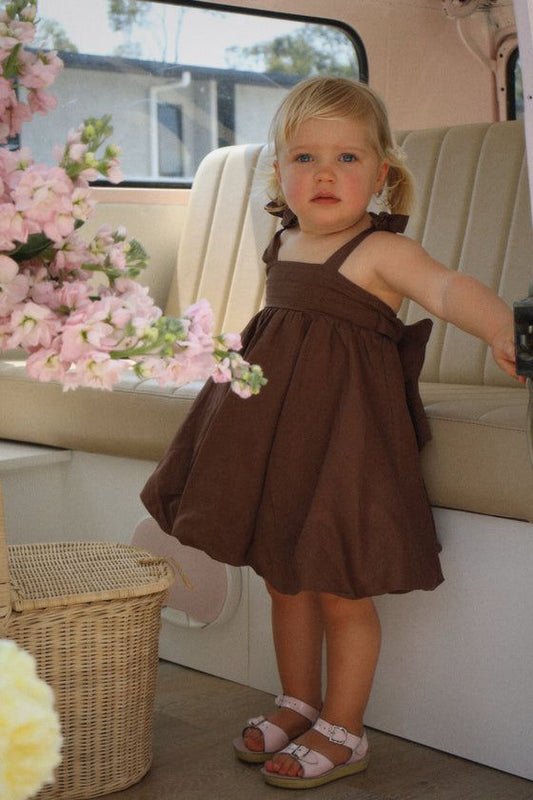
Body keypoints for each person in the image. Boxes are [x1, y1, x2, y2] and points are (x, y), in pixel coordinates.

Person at [141, 76, 521, 790]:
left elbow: (446, 289)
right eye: (305, 157)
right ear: (278, 174)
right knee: (283, 579)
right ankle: (298, 700)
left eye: (347, 158)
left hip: (345, 446)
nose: (324, 173)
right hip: (276, 442)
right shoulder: (282, 242)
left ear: (381, 175)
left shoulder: (379, 251)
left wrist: (501, 327)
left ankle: (345, 727)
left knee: (340, 588)